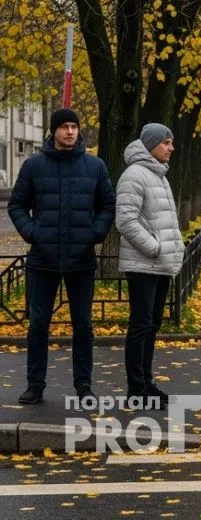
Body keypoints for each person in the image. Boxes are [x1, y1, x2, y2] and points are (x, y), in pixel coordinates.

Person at [9, 109, 115, 404]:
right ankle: (35, 385)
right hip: (43, 259)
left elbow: (107, 205)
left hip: (81, 259)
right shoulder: (34, 166)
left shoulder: (95, 166)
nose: (70, 131)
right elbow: (17, 206)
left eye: (74, 126)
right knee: (38, 325)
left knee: (83, 325)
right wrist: (33, 233)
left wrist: (95, 233)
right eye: (64, 127)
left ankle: (84, 386)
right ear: (53, 131)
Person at [116, 124, 184, 404]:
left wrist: (171, 249)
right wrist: (154, 248)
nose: (171, 148)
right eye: (166, 143)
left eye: (171, 143)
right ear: (151, 144)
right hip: (143, 264)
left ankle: (146, 382)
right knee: (141, 324)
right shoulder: (135, 175)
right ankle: (136, 388)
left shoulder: (158, 174)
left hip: (160, 263)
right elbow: (126, 221)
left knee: (152, 323)